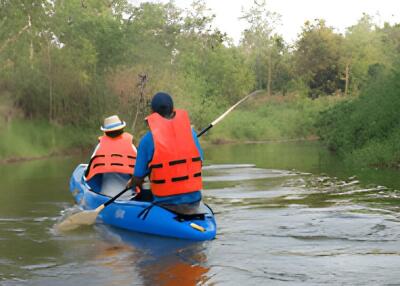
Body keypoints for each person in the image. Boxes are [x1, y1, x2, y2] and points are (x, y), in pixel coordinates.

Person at [126, 92, 203, 205]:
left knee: (140, 195)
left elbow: (138, 177)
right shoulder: (192, 134)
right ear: (173, 111)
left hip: (165, 202)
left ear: (152, 113)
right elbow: (199, 163)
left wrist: (132, 183)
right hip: (194, 199)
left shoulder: (147, 140)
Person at [85, 115, 137, 196]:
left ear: (106, 132)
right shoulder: (131, 146)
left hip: (106, 193)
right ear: (121, 129)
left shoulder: (99, 147)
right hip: (128, 194)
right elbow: (140, 171)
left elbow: (88, 173)